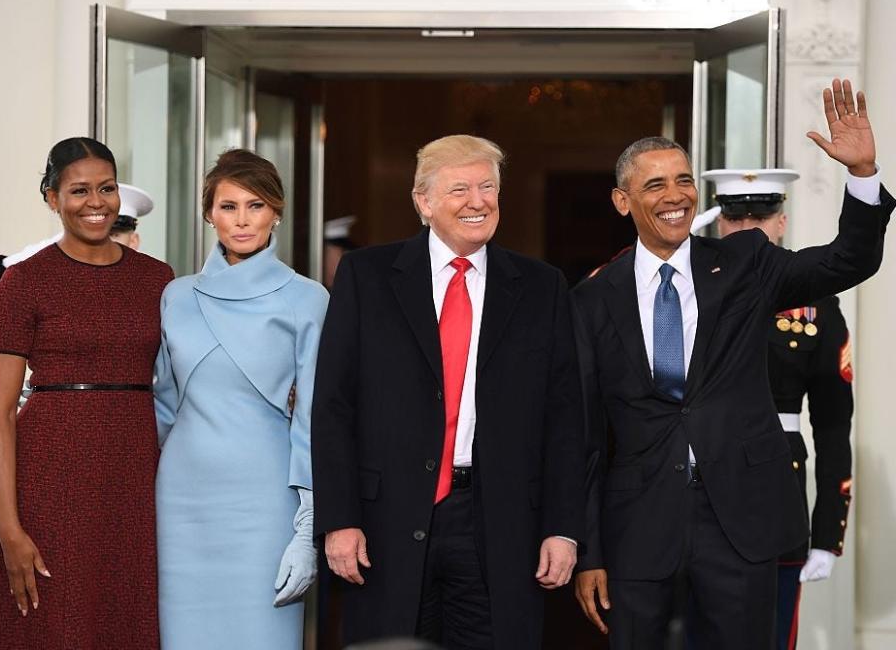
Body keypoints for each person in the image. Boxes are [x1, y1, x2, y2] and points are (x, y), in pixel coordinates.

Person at [570, 78, 892, 650]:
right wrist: (588, 551)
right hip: (637, 525)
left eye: (684, 180)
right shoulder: (593, 297)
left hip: (738, 519)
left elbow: (848, 260)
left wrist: (863, 176)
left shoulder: (744, 262)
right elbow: (587, 437)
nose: (676, 195)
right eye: (655, 185)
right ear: (624, 201)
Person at [312, 134, 584, 650]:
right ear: (424, 201)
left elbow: (565, 418)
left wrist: (563, 528)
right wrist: (339, 519)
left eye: (487, 187)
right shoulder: (366, 276)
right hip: (385, 522)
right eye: (459, 189)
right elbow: (334, 407)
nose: (477, 201)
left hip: (501, 521)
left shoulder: (540, 286)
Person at [0, 138, 173, 650]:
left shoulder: (158, 279)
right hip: (47, 477)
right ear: (51, 198)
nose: (96, 202)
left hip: (133, 476)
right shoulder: (21, 284)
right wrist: (10, 528)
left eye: (106, 188)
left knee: (121, 614)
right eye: (78, 191)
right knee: (49, 622)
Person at [154, 149, 329, 650]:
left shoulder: (307, 298)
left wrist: (307, 527)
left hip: (265, 502)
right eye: (228, 206)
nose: (242, 220)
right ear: (208, 213)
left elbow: (313, 418)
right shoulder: (177, 295)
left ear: (276, 211)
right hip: (181, 502)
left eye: (255, 206)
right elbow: (162, 406)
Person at [704, 168, 853, 650]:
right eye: (735, 216)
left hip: (777, 489)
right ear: (719, 223)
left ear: (782, 222)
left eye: (761, 215)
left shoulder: (816, 304)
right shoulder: (690, 291)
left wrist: (828, 532)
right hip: (697, 486)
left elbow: (832, 424)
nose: (749, 227)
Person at [0, 182, 155, 354]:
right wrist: (13, 263)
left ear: (133, 242)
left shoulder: (154, 293)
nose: (101, 243)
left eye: (114, 235)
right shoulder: (48, 306)